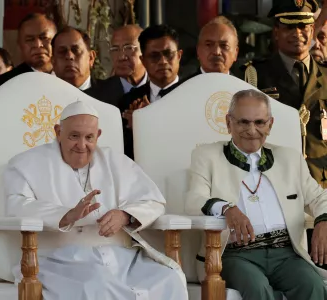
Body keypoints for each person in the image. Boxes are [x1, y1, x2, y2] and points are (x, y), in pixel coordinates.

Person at [4, 101, 188, 300]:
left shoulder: (116, 161)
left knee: (169, 277)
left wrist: (125, 215)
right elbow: (16, 205)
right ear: (58, 132)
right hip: (58, 260)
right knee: (97, 285)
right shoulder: (26, 164)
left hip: (121, 258)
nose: (82, 145)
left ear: (98, 135)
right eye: (74, 136)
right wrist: (66, 215)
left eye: (89, 137)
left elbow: (154, 201)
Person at [185, 89, 327, 300]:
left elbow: (319, 197)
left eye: (259, 122)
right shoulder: (206, 156)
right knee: (257, 289)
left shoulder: (289, 158)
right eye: (243, 122)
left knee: (312, 286)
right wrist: (227, 209)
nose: (252, 130)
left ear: (270, 124)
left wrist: (323, 220)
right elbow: (193, 200)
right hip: (235, 255)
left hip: (286, 254)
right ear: (228, 122)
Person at [243, 0, 327, 187]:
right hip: (273, 183)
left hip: (321, 185)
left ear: (312, 30)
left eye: (302, 26)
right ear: (276, 32)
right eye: (289, 27)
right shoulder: (255, 75)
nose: (297, 33)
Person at [118, 24, 182, 159]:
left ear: (179, 56)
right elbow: (122, 153)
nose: (163, 61)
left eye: (168, 54)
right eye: (154, 56)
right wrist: (136, 130)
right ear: (143, 61)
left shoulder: (194, 96)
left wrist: (148, 124)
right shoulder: (128, 102)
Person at [0, 13, 56, 98]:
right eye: (30, 40)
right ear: (20, 45)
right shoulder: (0, 86)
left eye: (44, 37)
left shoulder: (70, 78)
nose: (38, 44)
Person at [85, 25, 147, 106]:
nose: (121, 57)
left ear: (146, 51)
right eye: (115, 49)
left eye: (129, 48)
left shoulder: (162, 88)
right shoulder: (94, 97)